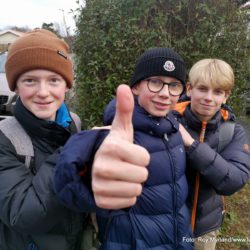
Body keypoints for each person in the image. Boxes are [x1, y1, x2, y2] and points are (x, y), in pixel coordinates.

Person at [54, 47, 194, 249]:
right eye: (155, 82)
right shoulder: (118, 134)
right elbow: (70, 177)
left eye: (174, 85)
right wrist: (88, 175)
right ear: (135, 87)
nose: (165, 93)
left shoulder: (175, 129)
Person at [0, 29, 86, 250]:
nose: (43, 92)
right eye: (30, 80)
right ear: (16, 86)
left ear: (66, 85)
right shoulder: (5, 136)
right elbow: (22, 212)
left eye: (54, 80)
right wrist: (73, 152)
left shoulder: (73, 123)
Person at [174, 58, 250, 249]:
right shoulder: (169, 120)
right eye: (202, 89)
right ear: (189, 89)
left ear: (225, 97)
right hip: (167, 224)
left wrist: (192, 145)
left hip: (205, 230)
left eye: (217, 92)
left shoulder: (233, 132)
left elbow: (233, 180)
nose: (209, 97)